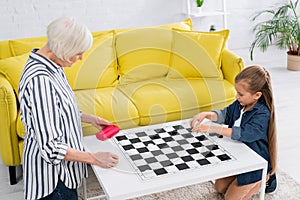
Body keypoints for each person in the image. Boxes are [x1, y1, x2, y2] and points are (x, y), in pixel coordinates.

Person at [18, 17, 119, 200]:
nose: (81, 58)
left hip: (62, 176)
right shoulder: (41, 80)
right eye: (78, 53)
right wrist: (95, 159)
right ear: (63, 48)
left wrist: (91, 119)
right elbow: (51, 148)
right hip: (53, 182)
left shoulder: (53, 66)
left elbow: (56, 110)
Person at [190, 65, 277, 199]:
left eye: (240, 94)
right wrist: (207, 114)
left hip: (254, 160)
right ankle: (242, 177)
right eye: (237, 92)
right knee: (219, 187)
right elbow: (225, 114)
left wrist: (214, 128)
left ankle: (265, 178)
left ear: (257, 95)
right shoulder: (241, 103)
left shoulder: (263, 114)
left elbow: (244, 134)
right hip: (240, 155)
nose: (237, 96)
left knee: (230, 198)